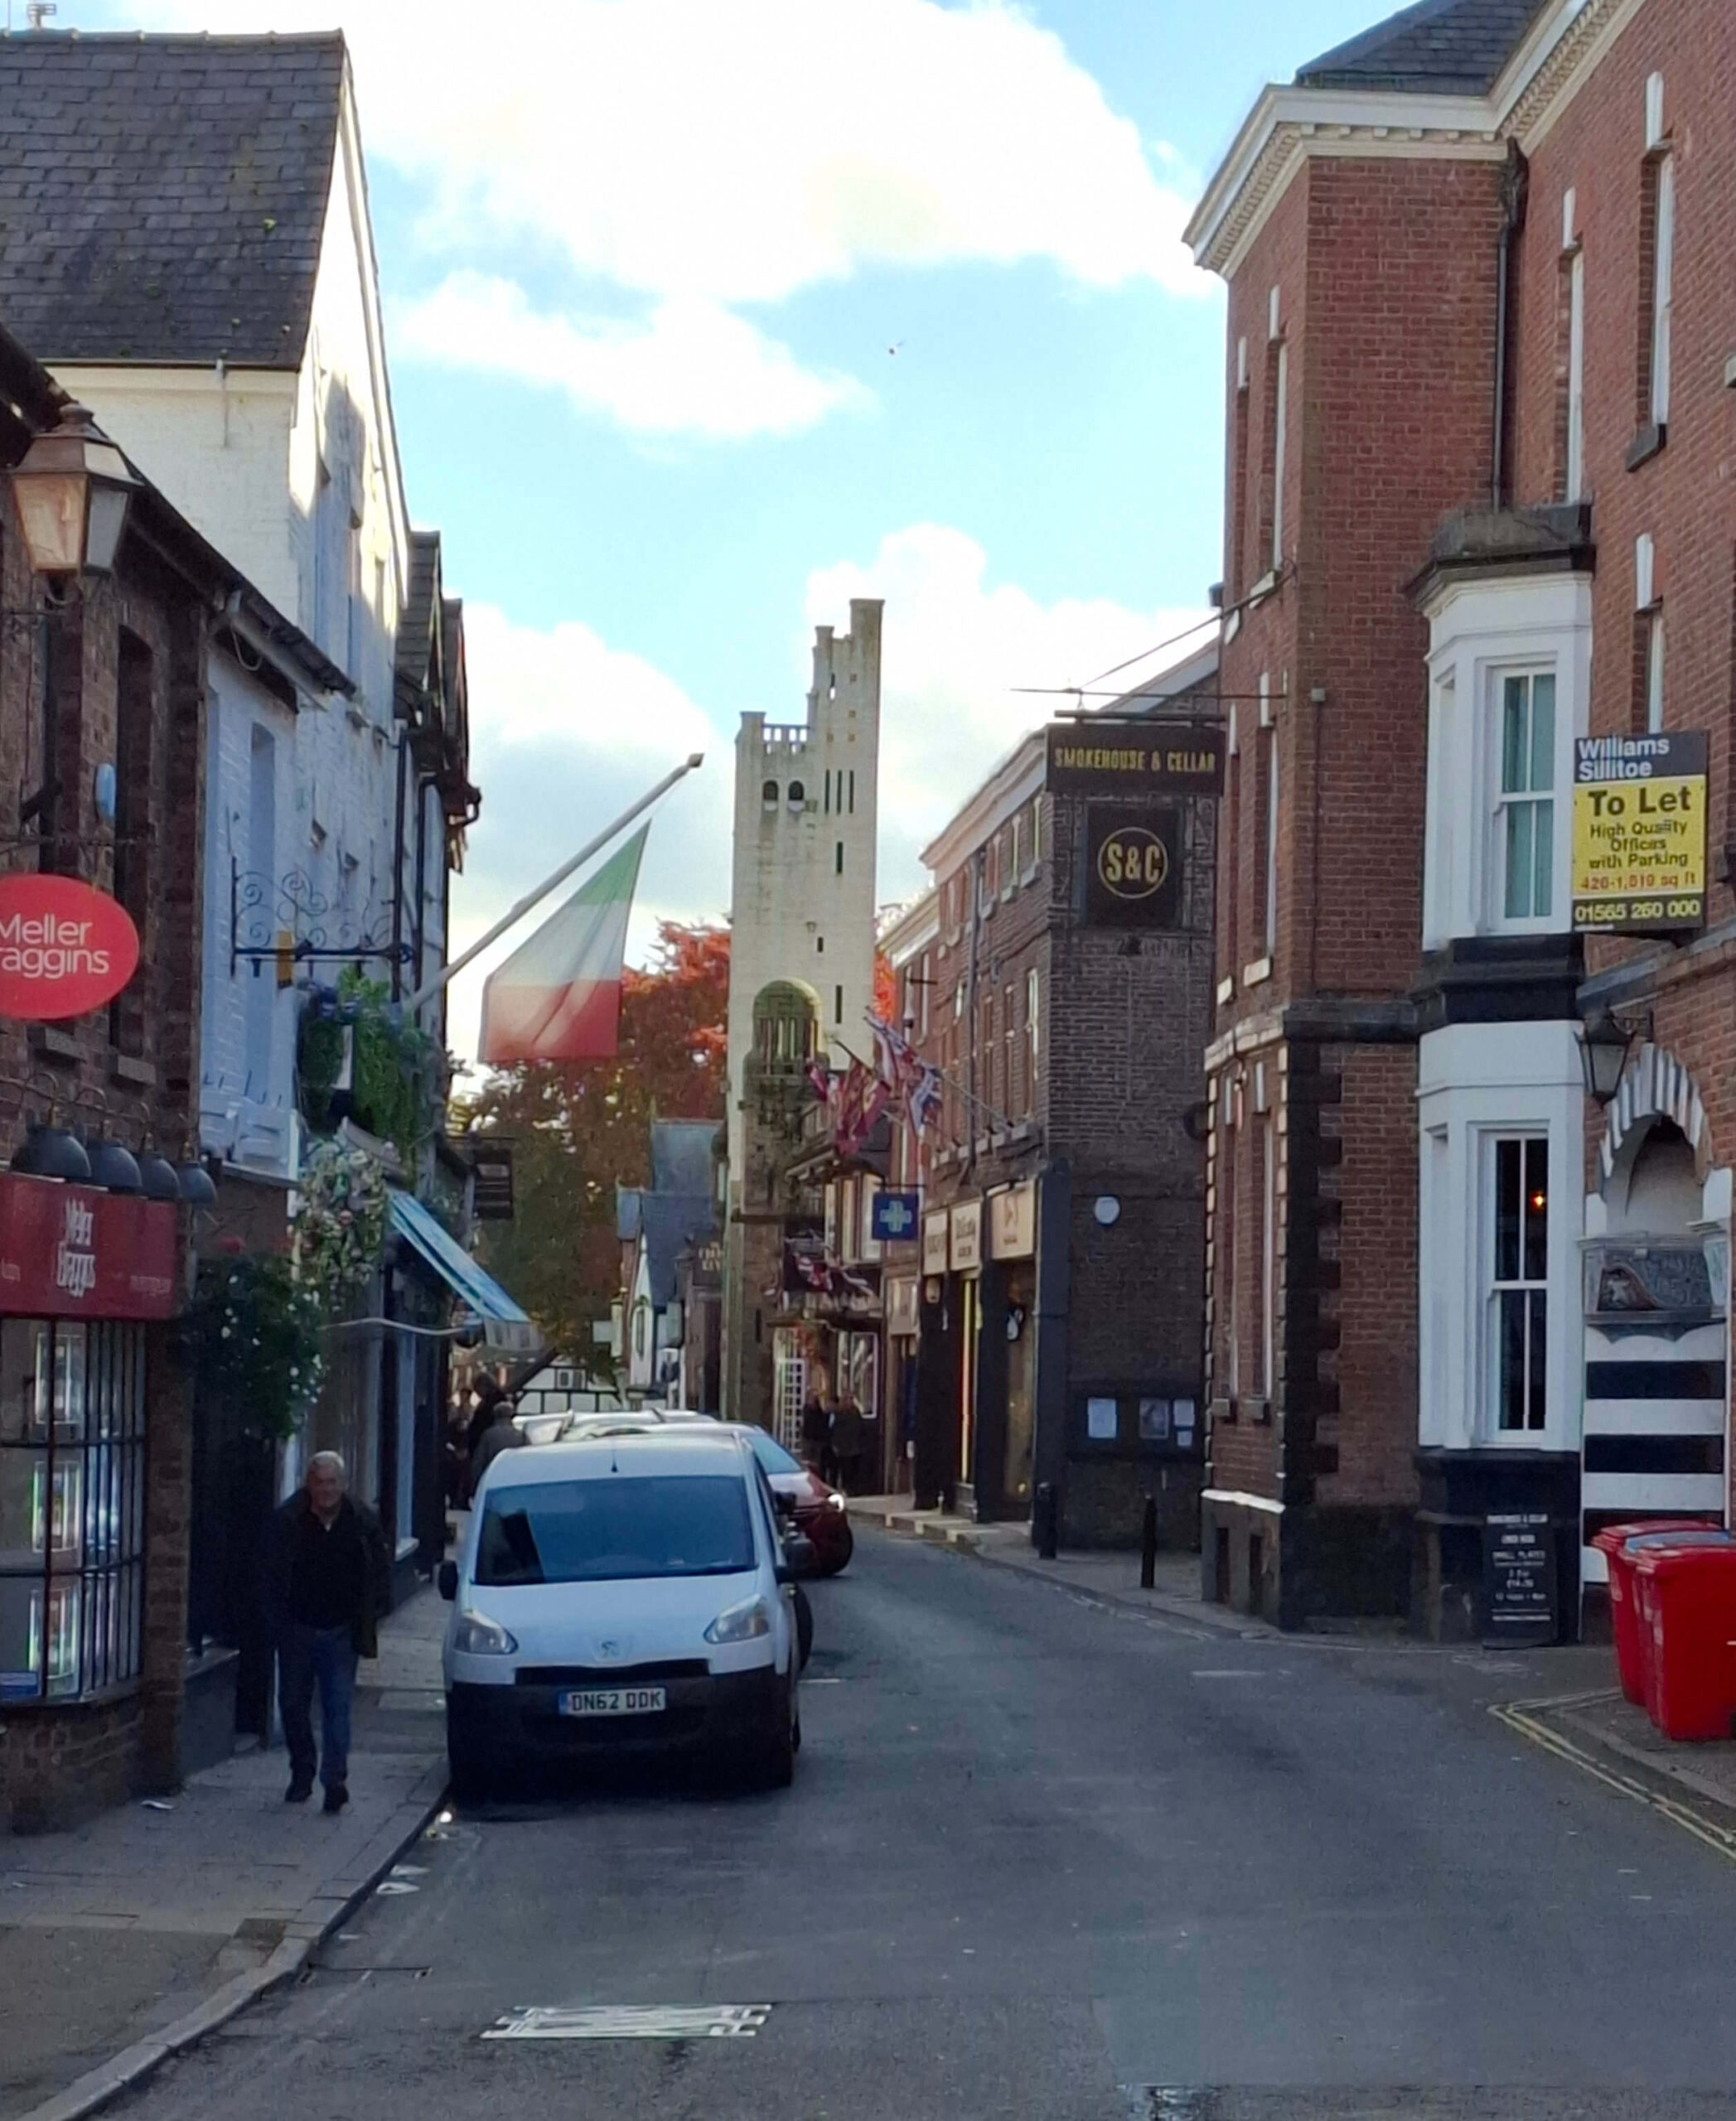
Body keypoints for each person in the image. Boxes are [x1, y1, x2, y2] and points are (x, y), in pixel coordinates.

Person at [264, 1453, 389, 1814]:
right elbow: (270, 1574)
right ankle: (302, 1771)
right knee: (293, 1704)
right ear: (309, 1484)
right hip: (298, 1629)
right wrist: (277, 1620)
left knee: (338, 1708)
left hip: (340, 1631)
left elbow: (378, 1570)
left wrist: (372, 1613)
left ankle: (335, 1780)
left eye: (332, 1482)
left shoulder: (361, 1521)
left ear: (343, 1484)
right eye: (320, 1482)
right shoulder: (288, 1521)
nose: (326, 1490)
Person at [471, 1391, 529, 1485]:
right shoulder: (520, 1436)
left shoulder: (488, 1435)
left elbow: (478, 1463)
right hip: (515, 1479)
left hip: (492, 1480)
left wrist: (475, 1485)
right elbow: (528, 1460)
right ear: (511, 1416)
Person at [829, 1389, 865, 1495]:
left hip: (855, 1446)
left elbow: (861, 1428)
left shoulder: (856, 1413)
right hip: (844, 1447)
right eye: (848, 1399)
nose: (850, 1401)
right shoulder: (839, 1413)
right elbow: (835, 1430)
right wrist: (835, 1444)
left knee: (855, 1470)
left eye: (851, 1399)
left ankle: (854, 1489)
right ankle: (846, 1488)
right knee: (846, 1470)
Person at [799, 1384, 831, 1478]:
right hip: (809, 1438)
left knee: (817, 1462)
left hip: (816, 1440)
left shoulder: (818, 1411)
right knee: (808, 1460)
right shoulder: (808, 1410)